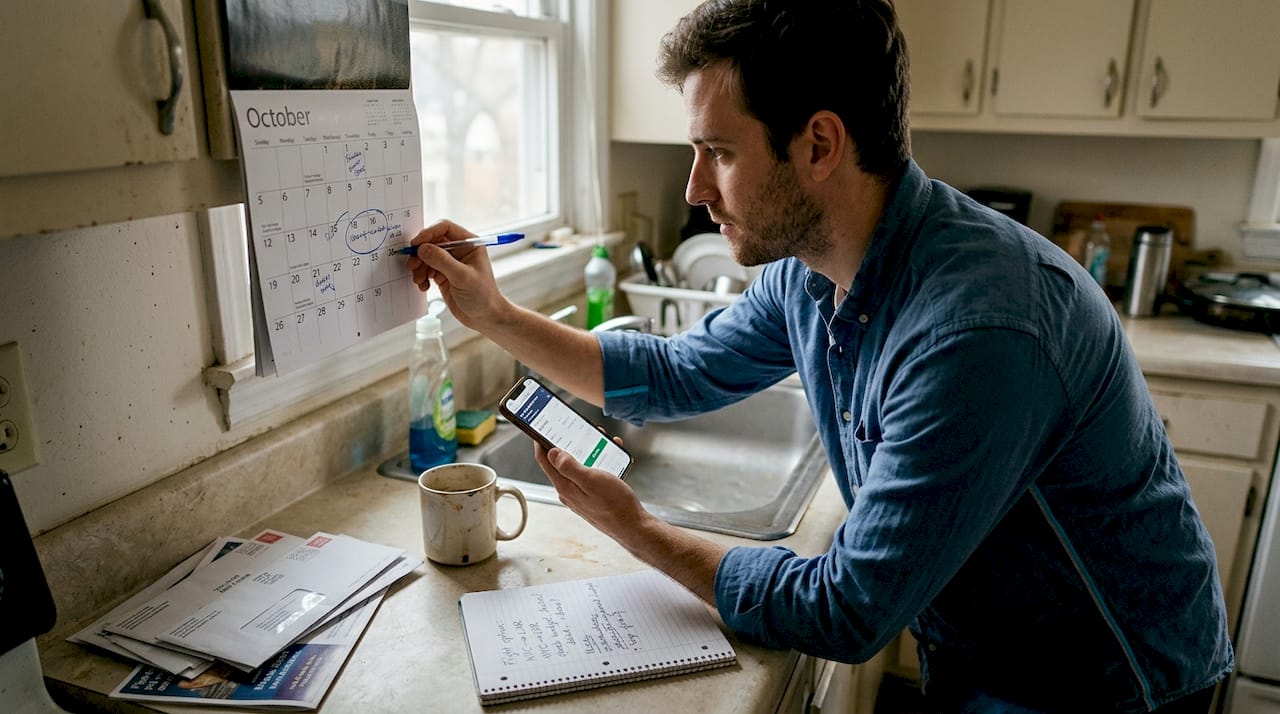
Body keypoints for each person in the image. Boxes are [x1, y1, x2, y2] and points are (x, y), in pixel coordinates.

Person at [406, 1, 1232, 710]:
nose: (694, 188)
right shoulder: (811, 273)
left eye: (719, 152)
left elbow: (848, 608)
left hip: (1108, 685)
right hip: (983, 650)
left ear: (820, 145)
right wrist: (493, 314)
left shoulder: (979, 333)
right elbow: (675, 372)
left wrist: (639, 531)